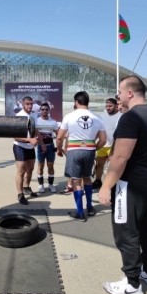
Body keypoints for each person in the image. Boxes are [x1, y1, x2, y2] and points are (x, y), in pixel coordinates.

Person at [99, 76, 147, 294]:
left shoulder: (130, 118)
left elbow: (121, 157)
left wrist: (106, 186)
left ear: (130, 93)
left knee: (126, 233)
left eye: (119, 93)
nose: (118, 97)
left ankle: (132, 284)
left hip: (130, 183)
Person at [56, 91, 106, 221]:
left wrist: (60, 149)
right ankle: (89, 206)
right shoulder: (98, 118)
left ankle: (80, 212)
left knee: (77, 180)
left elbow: (60, 137)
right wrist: (93, 148)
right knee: (87, 177)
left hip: (74, 150)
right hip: (89, 150)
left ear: (76, 102)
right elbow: (103, 140)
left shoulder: (69, 116)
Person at [13, 96, 46, 205]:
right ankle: (20, 194)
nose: (30, 106)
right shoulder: (18, 117)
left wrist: (42, 144)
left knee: (31, 168)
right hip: (20, 146)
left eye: (31, 104)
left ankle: (26, 187)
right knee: (21, 171)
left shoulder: (33, 115)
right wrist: (29, 140)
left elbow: (36, 130)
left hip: (30, 146)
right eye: (27, 104)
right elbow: (15, 137)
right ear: (22, 104)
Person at [92, 98, 122, 189]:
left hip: (114, 147)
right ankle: (98, 181)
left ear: (116, 106)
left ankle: (113, 185)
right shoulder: (102, 116)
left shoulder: (121, 116)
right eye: (107, 106)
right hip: (102, 145)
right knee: (99, 165)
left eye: (110, 106)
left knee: (112, 168)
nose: (108, 108)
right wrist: (93, 141)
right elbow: (98, 131)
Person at [36, 103, 59, 193]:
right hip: (39, 147)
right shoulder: (37, 121)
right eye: (43, 109)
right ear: (40, 110)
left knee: (50, 166)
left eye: (46, 109)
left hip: (50, 146)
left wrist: (59, 146)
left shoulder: (53, 122)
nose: (44, 111)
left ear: (49, 110)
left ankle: (51, 184)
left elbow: (58, 135)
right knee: (40, 166)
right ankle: (41, 185)